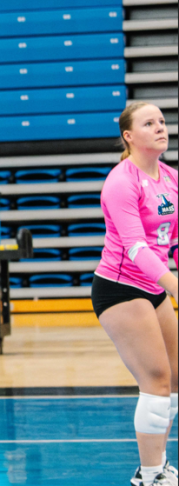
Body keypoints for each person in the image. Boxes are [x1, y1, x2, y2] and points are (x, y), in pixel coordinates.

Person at [92, 102, 177, 486]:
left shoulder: (171, 178)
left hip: (154, 286)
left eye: (161, 121)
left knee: (175, 378)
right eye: (149, 123)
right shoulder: (121, 181)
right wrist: (174, 284)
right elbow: (135, 247)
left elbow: (172, 240)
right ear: (129, 136)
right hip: (121, 288)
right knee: (157, 378)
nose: (160, 127)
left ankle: (160, 465)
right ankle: (149, 474)